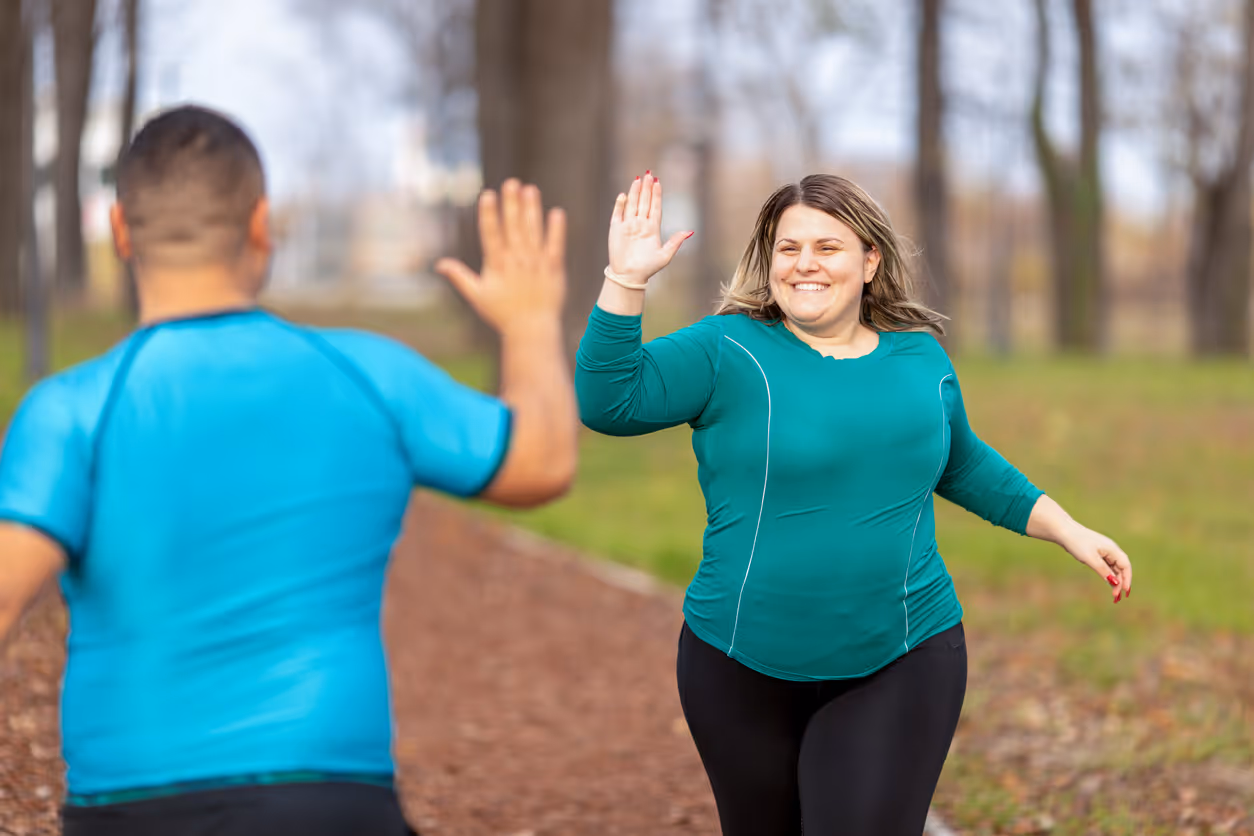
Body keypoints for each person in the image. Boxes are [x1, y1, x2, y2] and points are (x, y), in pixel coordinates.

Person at [0, 105, 576, 836]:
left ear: (120, 231)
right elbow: (542, 462)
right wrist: (529, 323)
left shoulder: (72, 410)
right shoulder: (370, 375)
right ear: (261, 224)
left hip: (128, 809)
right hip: (330, 801)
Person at [575, 172, 1133, 835]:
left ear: (870, 261)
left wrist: (1068, 529)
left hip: (902, 655)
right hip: (737, 661)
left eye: (827, 247)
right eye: (788, 248)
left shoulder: (919, 358)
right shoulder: (726, 349)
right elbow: (610, 403)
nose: (804, 264)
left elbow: (960, 461)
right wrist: (625, 279)